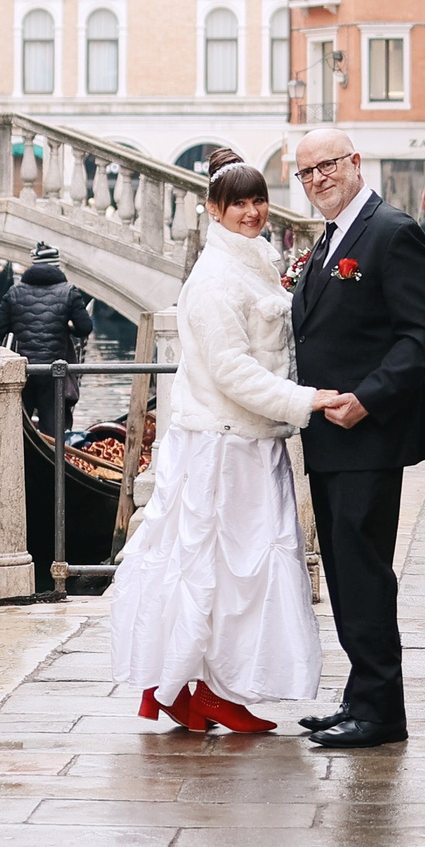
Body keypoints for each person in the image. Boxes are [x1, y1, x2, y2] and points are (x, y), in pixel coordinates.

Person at [110, 155, 348, 733]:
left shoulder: (255, 262)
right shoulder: (216, 278)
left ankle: (197, 687)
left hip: (249, 440)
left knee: (234, 569)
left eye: (258, 200)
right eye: (237, 204)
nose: (252, 212)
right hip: (223, 446)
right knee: (221, 569)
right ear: (214, 211)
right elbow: (231, 370)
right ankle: (201, 688)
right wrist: (307, 400)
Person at [289, 127, 425, 749]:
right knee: (346, 570)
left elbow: (423, 334)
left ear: (355, 163)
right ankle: (361, 696)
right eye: (305, 173)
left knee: (365, 574)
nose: (317, 180)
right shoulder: (330, 237)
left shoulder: (392, 230)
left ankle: (382, 713)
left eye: (326, 166)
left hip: (368, 434)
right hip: (330, 436)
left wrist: (369, 399)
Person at [0, 241, 93, 442]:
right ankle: (53, 468)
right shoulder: (69, 291)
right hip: (53, 371)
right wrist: (67, 328)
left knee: (19, 425)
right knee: (52, 430)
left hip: (23, 370)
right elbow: (85, 328)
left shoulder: (14, 291)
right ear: (56, 266)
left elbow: (0, 330)